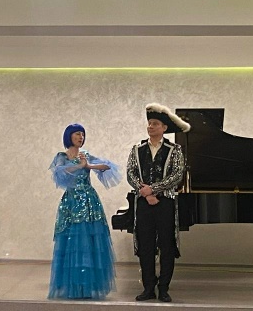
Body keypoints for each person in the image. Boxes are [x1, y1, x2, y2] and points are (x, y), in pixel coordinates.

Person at [48, 123, 122, 300]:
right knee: (71, 241)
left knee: (89, 241)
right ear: (69, 136)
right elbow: (59, 172)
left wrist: (88, 166)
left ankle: (88, 286)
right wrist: (79, 166)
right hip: (71, 203)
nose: (80, 137)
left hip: (89, 202)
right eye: (77, 134)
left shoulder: (86, 155)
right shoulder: (62, 156)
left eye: (82, 134)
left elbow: (107, 166)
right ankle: (72, 286)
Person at [126, 103, 191, 302]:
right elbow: (130, 173)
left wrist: (153, 189)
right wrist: (145, 192)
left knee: (166, 245)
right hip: (144, 203)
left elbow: (177, 175)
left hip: (165, 203)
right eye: (149, 123)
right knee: (145, 246)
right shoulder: (137, 149)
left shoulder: (175, 150)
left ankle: (163, 288)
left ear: (164, 128)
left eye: (155, 124)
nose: (150, 126)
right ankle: (148, 288)